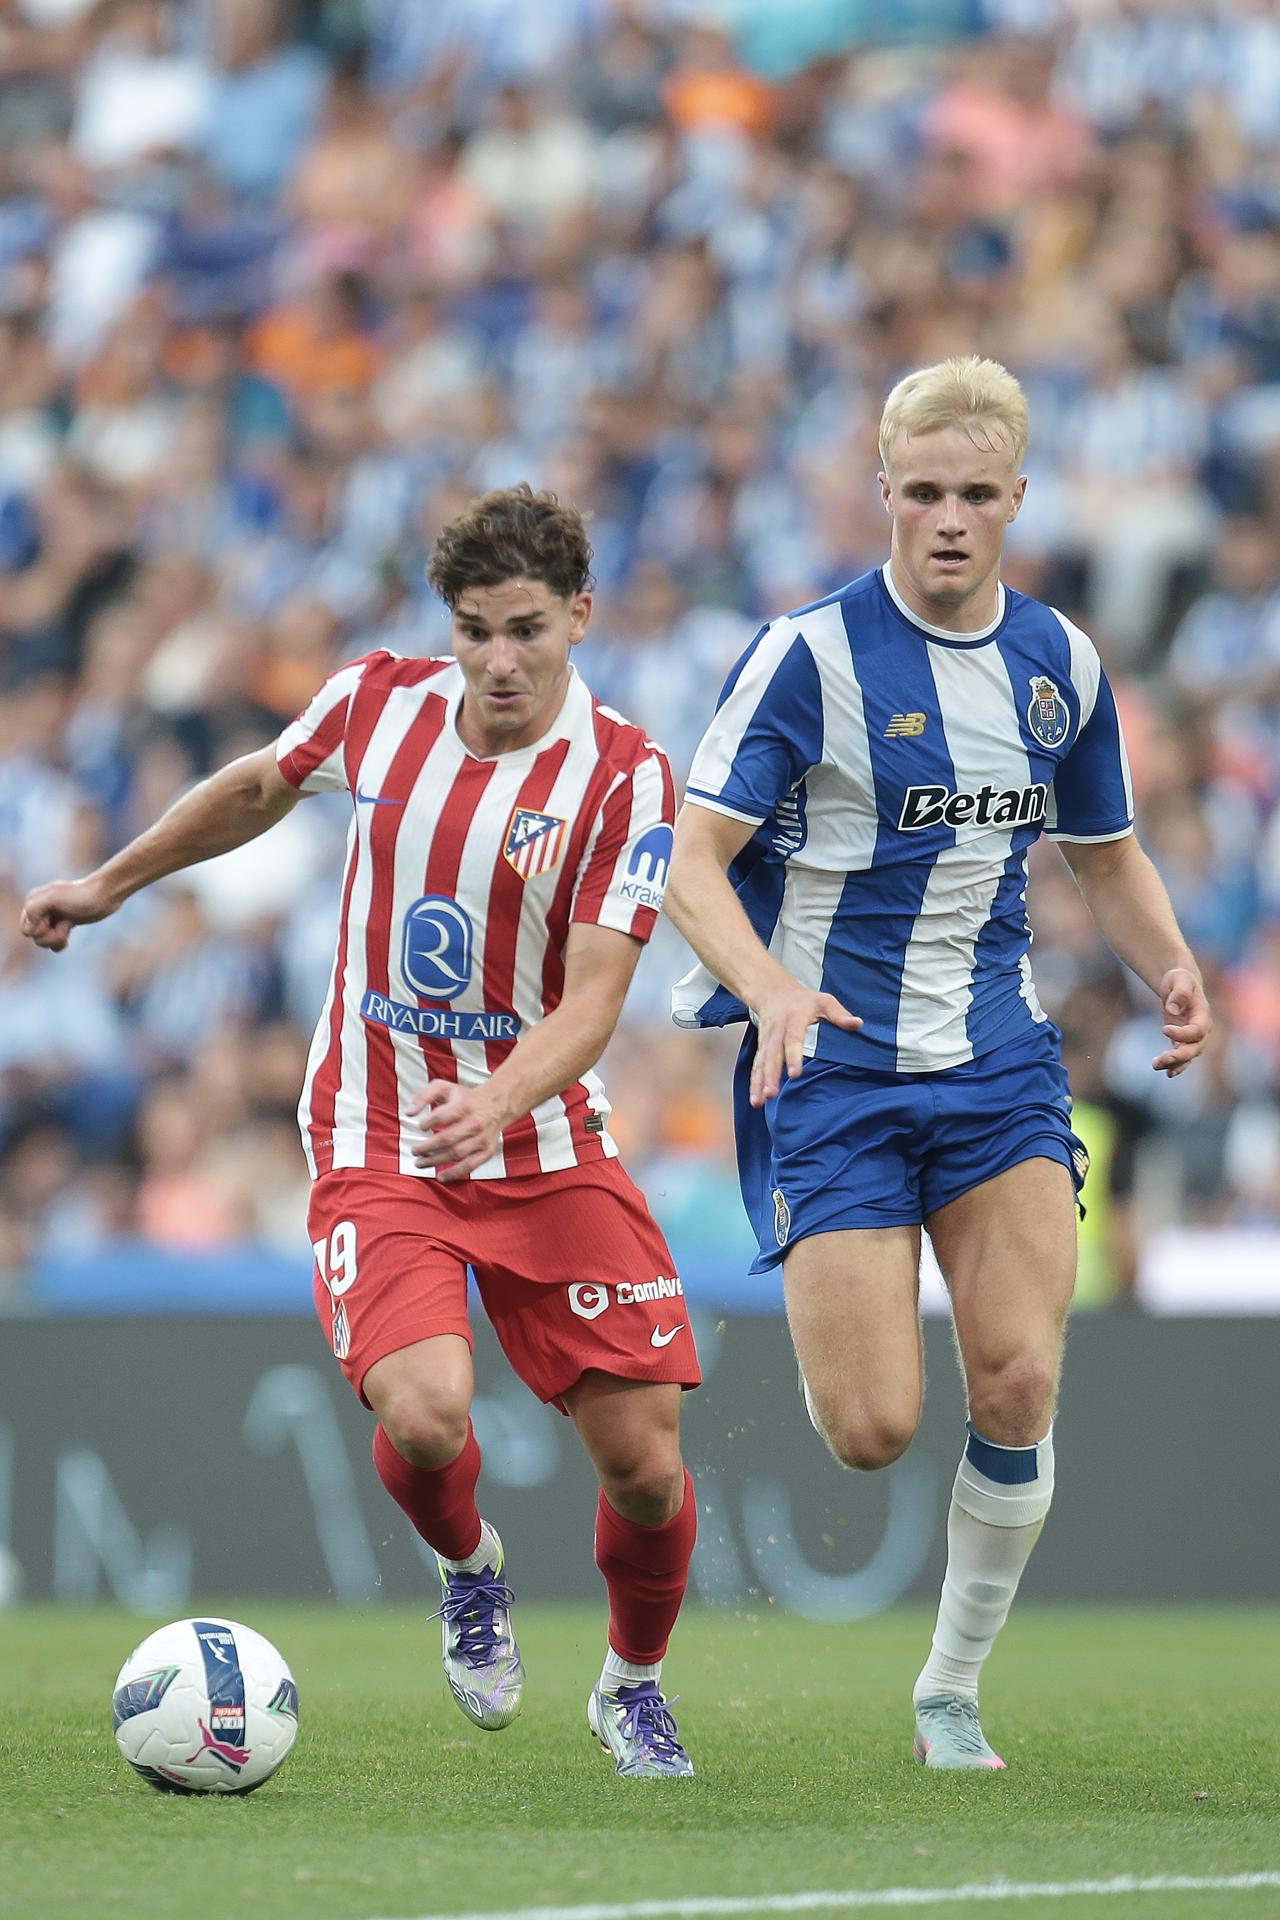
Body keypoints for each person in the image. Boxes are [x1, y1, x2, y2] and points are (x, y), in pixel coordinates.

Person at [21, 484, 700, 1780]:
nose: (499, 660)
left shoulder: (623, 778)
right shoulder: (378, 702)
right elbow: (258, 789)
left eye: (528, 631)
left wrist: (499, 1099)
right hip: (377, 1130)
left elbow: (601, 996)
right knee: (432, 1415)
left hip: (542, 1140)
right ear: (447, 624)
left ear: (581, 618)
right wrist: (110, 884)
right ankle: (471, 1567)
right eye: (476, 630)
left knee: (648, 1466)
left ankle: (634, 1685)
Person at [665, 356, 1211, 1770]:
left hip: (995, 1062)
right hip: (832, 1067)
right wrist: (771, 984)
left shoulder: (1061, 665)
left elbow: (1103, 850)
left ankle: (950, 1687)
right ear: (884, 496)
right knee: (870, 1430)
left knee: (1019, 1381)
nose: (950, 519)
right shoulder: (808, 656)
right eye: (924, 493)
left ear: (1019, 499)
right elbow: (692, 860)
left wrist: (1168, 964)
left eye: (977, 494)